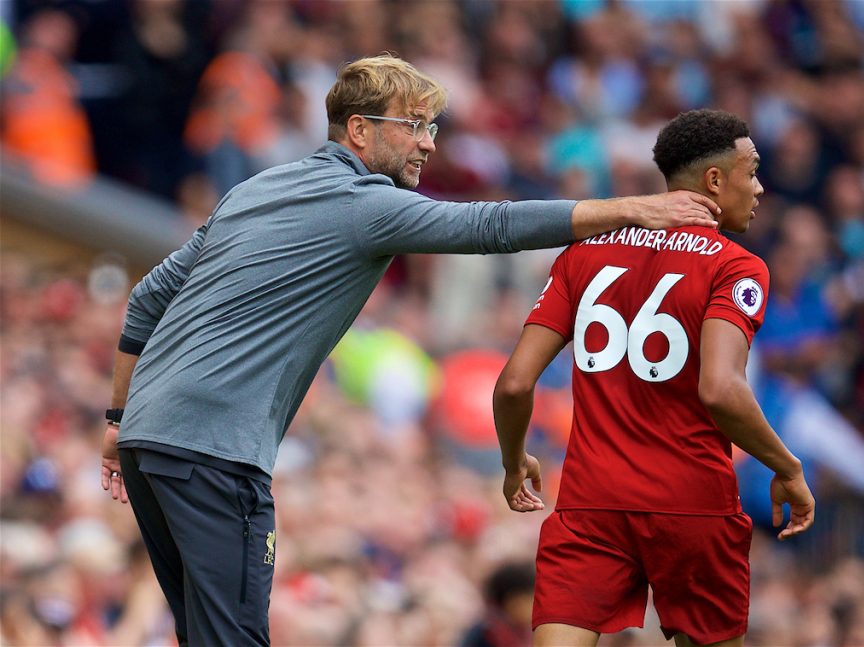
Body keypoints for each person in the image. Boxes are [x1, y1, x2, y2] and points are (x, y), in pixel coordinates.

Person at [98, 54, 719, 646]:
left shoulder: (255, 190)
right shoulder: (363, 204)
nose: (429, 142)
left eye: (433, 127)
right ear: (360, 131)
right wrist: (634, 208)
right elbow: (490, 228)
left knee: (204, 635)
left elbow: (148, 298)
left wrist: (119, 418)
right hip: (214, 450)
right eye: (415, 126)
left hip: (149, 439)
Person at [493, 109, 815, 647]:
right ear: (715, 180)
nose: (759, 188)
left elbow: (513, 384)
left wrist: (512, 461)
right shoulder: (736, 267)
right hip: (692, 504)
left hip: (591, 503)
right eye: (753, 171)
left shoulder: (582, 255)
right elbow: (720, 390)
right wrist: (787, 466)